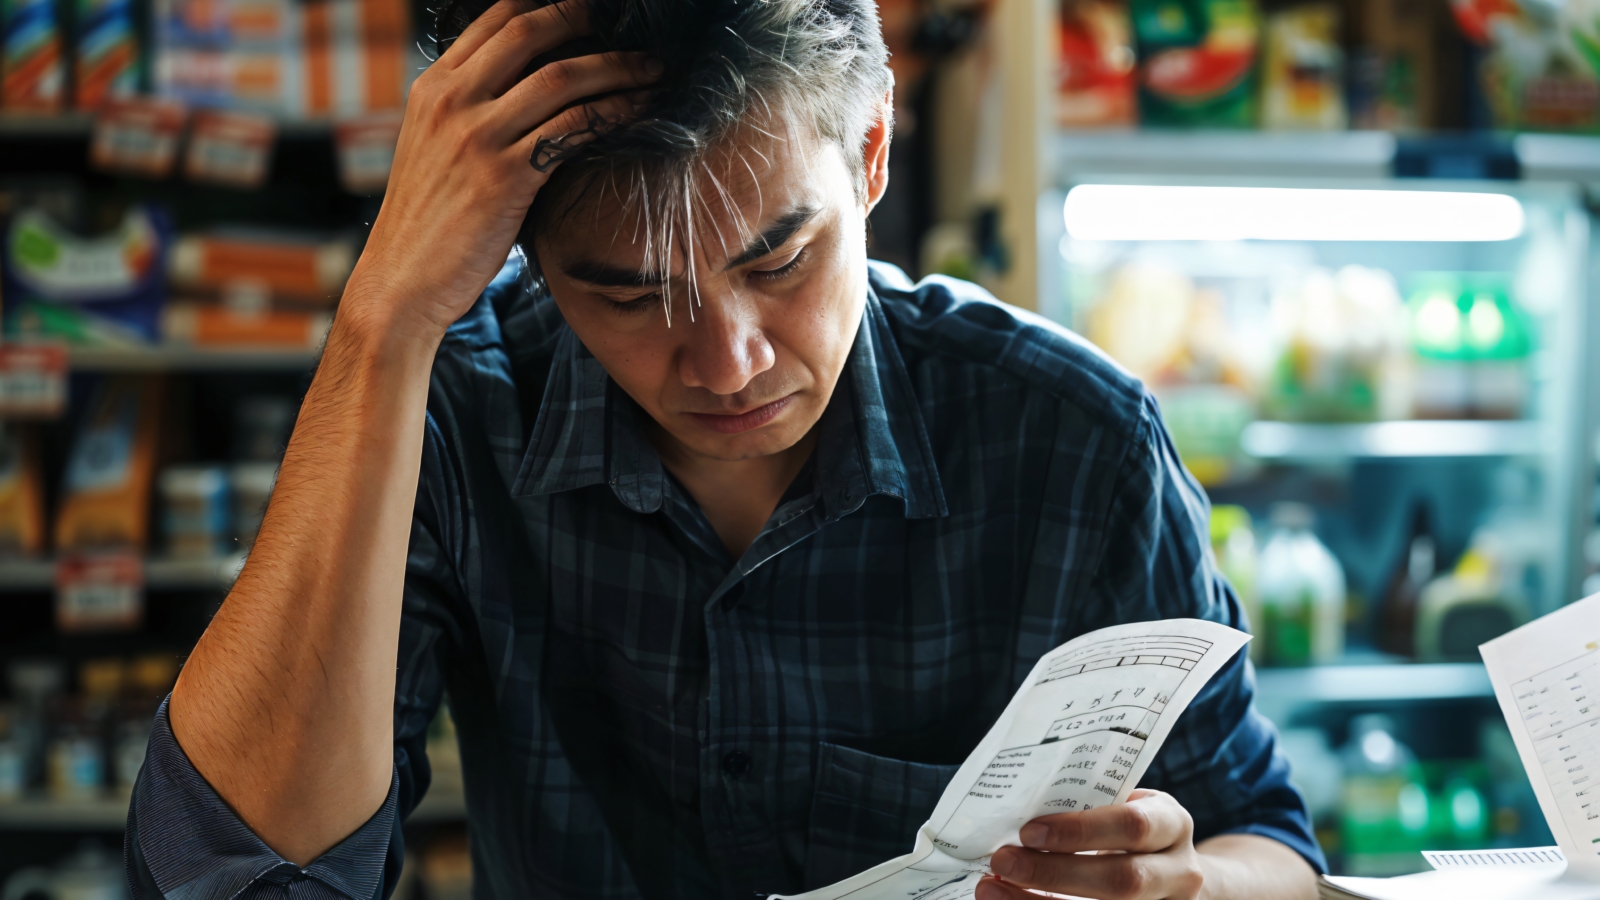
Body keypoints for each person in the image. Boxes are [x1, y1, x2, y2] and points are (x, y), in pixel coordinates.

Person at [124, 0, 1325, 896]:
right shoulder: (458, 407)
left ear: (868, 156)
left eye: (777, 261)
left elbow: (1268, 837)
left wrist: (1190, 882)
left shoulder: (1072, 439)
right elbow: (233, 874)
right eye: (630, 298)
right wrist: (383, 317)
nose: (726, 362)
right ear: (522, 253)